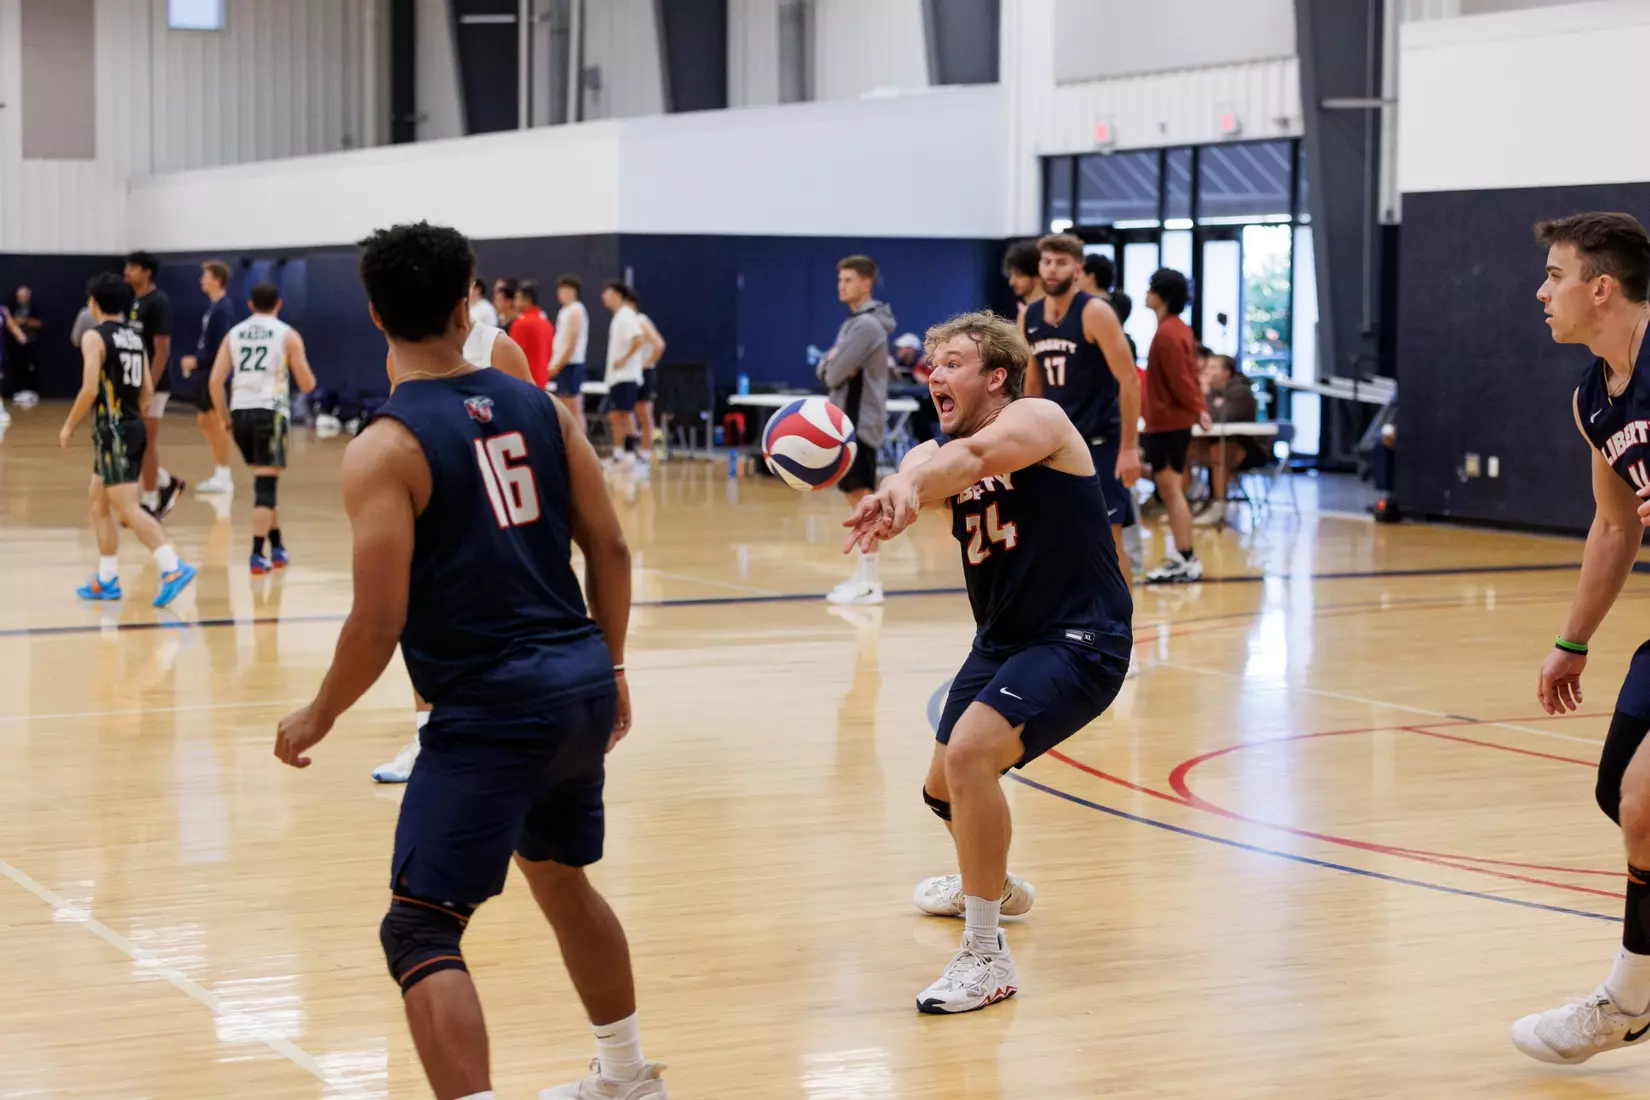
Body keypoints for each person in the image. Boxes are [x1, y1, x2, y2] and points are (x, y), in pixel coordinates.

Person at [275, 221, 665, 1100]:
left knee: (419, 931)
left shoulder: (384, 446)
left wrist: (318, 715)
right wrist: (611, 669)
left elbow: (378, 624)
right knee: (562, 880)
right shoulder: (546, 410)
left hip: (493, 709)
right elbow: (610, 551)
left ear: (376, 315)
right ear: (467, 305)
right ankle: (628, 1075)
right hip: (575, 687)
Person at [841, 310, 1130, 1014]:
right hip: (1003, 637)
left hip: (1079, 638)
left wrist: (916, 483)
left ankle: (985, 954)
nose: (934, 374)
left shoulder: (1039, 420)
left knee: (971, 754)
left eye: (953, 364)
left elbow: (967, 463)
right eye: (932, 363)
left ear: (995, 376)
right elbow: (926, 462)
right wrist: (901, 486)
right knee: (941, 790)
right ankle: (991, 883)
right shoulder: (946, 442)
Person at [1513, 211, 1650, 1066]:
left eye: (1554, 275)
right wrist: (1574, 639)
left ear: (1600, 287)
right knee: (1621, 800)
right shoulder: (1594, 398)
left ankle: (1628, 1000)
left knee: (1647, 803)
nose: (1541, 292)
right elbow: (1612, 528)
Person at [372, 290, 535, 787]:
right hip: (438, 505)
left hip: (500, 513)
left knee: (508, 629)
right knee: (421, 622)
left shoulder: (498, 347)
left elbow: (533, 426)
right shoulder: (400, 352)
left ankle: (516, 731)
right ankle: (428, 737)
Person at [1019, 234, 1142, 674]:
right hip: (1055, 445)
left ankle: (1124, 640)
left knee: (1109, 541)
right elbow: (1032, 387)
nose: (1051, 269)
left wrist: (1129, 447)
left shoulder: (1095, 312)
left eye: (1060, 262)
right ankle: (1065, 631)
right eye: (1046, 262)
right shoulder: (1030, 316)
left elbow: (1129, 380)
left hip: (1102, 445)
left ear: (1077, 269)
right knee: (1052, 540)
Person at [59, 273, 196, 608]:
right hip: (130, 426)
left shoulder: (95, 336)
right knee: (98, 500)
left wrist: (69, 425)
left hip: (115, 430)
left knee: (127, 507)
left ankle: (171, 566)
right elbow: (147, 390)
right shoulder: (135, 337)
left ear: (93, 304)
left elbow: (90, 388)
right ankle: (107, 578)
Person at [209, 282, 318, 574]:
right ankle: (257, 553)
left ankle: (278, 547)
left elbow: (215, 381)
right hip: (269, 411)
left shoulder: (234, 333)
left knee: (266, 481)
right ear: (279, 304)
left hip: (239, 410)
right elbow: (307, 384)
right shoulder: (287, 334)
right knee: (265, 487)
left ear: (249, 305)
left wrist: (223, 416)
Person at [820, 255, 896, 606]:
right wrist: (831, 363)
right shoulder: (855, 323)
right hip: (846, 422)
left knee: (864, 501)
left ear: (866, 284)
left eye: (848, 280)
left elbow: (832, 373)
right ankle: (864, 575)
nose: (841, 286)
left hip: (858, 424)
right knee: (857, 498)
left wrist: (832, 363)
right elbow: (830, 366)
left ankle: (871, 582)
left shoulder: (866, 326)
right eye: (839, 280)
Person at [1140, 268, 1210, 584]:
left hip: (1168, 423)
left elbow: (1182, 380)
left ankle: (1184, 556)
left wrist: (1198, 409)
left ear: (1161, 294)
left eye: (1151, 288)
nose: (1147, 293)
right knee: (1171, 490)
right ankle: (1184, 554)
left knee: (1172, 491)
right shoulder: (1178, 329)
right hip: (1168, 422)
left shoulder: (1168, 333)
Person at [125, 251, 185, 517]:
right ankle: (166, 482)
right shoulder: (135, 302)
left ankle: (149, 502)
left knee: (146, 442)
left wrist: (147, 388)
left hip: (153, 385)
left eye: (133, 267)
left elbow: (162, 351)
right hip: (136, 381)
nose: (127, 271)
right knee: (137, 443)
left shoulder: (159, 302)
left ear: (146, 272)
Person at [182, 261, 238, 494]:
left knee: (217, 422)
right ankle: (219, 471)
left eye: (205, 276)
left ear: (217, 279)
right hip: (204, 373)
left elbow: (221, 346)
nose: (201, 280)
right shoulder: (213, 307)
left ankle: (224, 475)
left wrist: (198, 361)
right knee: (204, 421)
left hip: (215, 373)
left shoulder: (223, 308)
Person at [1190, 354, 1264, 526]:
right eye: (1207, 367)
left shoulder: (1241, 391)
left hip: (1248, 448)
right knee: (1187, 449)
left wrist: (1205, 392)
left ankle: (1218, 505)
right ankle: (1186, 502)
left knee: (1219, 453)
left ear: (1227, 372)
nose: (1208, 372)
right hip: (1214, 441)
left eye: (1214, 368)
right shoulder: (1213, 393)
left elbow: (1218, 417)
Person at [601, 280, 649, 475]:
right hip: (617, 376)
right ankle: (619, 454)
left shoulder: (626, 315)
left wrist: (624, 360)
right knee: (617, 414)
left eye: (608, 293)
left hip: (626, 375)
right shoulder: (618, 317)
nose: (604, 296)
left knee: (626, 413)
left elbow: (638, 339)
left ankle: (630, 456)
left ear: (618, 295)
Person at [630, 290, 666, 459]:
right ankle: (635, 451)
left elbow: (659, 344)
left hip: (646, 371)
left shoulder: (640, 320)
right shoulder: (627, 323)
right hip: (634, 372)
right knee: (634, 412)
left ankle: (646, 451)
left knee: (645, 413)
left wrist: (648, 363)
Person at [549, 275, 591, 422]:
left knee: (573, 406)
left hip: (571, 364)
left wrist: (559, 364)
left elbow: (572, 342)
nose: (559, 294)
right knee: (563, 407)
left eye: (563, 290)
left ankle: (580, 442)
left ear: (572, 291)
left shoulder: (576, 310)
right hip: (563, 363)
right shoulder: (564, 310)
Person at [512, 280, 556, 391]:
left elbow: (513, 356)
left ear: (526, 300)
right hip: (542, 383)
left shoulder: (521, 324)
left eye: (517, 298)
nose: (514, 302)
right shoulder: (547, 323)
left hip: (523, 384)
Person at [5, 285, 42, 405]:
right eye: (19, 296)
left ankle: (31, 392)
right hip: (16, 344)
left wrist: (26, 321)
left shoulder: (34, 307)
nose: (21, 298)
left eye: (23, 296)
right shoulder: (12, 308)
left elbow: (39, 323)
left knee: (30, 367)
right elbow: (9, 322)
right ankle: (20, 391)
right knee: (18, 366)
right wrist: (16, 323)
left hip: (31, 342)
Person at [1002, 241, 1044, 320]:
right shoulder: (1024, 314)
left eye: (1019, 275)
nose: (1011, 282)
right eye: (1011, 275)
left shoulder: (1049, 315)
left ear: (1038, 277)